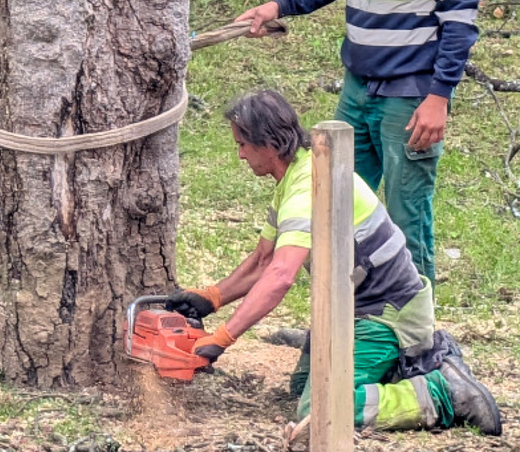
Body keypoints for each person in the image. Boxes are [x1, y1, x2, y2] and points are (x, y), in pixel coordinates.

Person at [234, 0, 484, 284]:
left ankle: (415, 323)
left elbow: (459, 26)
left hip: (409, 97)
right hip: (357, 89)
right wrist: (277, 6)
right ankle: (347, 317)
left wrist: (438, 98)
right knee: (337, 207)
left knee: (406, 220)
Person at [168, 90, 501, 434]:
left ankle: (443, 394)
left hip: (385, 315)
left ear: (269, 144)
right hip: (351, 310)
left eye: (242, 145)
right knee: (303, 386)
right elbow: (264, 260)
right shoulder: (295, 176)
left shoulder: (305, 189)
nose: (239, 154)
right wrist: (212, 297)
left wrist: (223, 337)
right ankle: (400, 370)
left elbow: (280, 276)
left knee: (321, 407)